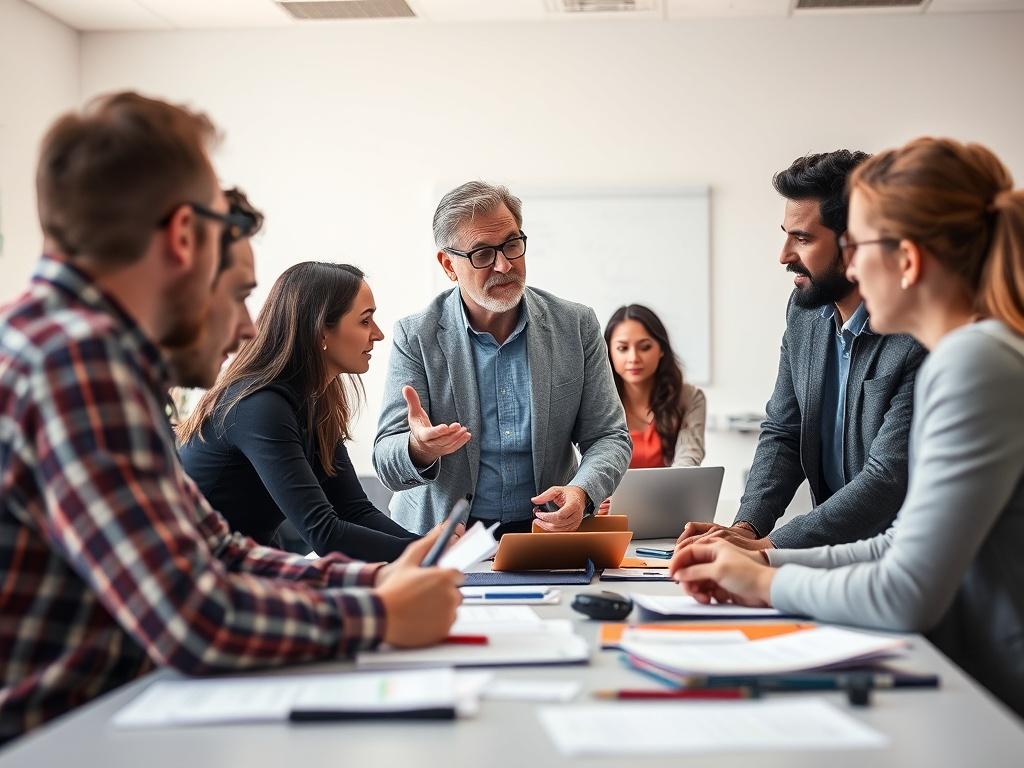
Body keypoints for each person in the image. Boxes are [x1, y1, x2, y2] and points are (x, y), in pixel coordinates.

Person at [0, 92, 460, 745]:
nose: (246, 324)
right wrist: (377, 615)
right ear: (186, 237)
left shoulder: (66, 347)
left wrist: (377, 578)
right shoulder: (75, 361)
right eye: (239, 287)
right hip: (57, 741)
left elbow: (218, 552)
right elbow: (193, 617)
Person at [671, 137, 1024, 718]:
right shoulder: (974, 352)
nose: (854, 266)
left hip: (999, 680)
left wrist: (762, 579)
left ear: (907, 260)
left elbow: (903, 589)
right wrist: (762, 560)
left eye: (858, 247)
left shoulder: (969, 361)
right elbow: (896, 547)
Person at [677, 150, 925, 552]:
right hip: (830, 556)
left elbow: (886, 479)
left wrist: (769, 548)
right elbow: (784, 431)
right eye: (786, 233)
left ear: (855, 244)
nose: (784, 255)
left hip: (902, 559)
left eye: (803, 238)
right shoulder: (804, 314)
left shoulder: (915, 335)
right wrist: (746, 528)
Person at [373, 181, 632, 535]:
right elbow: (386, 459)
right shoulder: (416, 335)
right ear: (448, 265)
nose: (504, 265)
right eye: (482, 254)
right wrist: (418, 447)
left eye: (512, 245)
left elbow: (608, 436)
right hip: (445, 538)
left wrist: (582, 491)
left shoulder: (575, 325)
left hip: (546, 533)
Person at [178, 261, 419, 562]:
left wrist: (432, 547)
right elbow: (324, 534)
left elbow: (354, 510)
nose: (378, 334)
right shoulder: (260, 406)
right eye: (365, 321)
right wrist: (425, 553)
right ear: (321, 332)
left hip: (244, 570)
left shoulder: (314, 403)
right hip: (196, 579)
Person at [604, 304, 706, 469]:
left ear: (661, 350)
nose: (633, 358)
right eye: (623, 348)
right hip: (609, 495)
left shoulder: (689, 397)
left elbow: (689, 458)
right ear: (608, 352)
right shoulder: (597, 400)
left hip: (670, 492)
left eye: (645, 347)